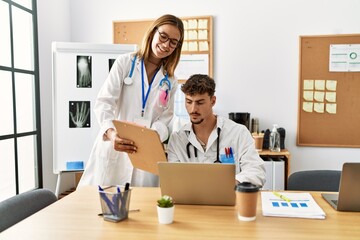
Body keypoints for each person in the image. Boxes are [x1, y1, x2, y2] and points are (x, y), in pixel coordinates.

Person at [78, 14, 184, 187]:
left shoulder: (170, 80)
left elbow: (166, 120)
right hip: (115, 143)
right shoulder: (125, 63)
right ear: (153, 33)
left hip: (145, 149)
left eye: (173, 42)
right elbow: (104, 103)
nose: (166, 45)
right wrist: (112, 134)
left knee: (142, 204)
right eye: (163, 36)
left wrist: (151, 135)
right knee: (105, 202)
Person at [167, 74, 266, 186]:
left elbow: (256, 172)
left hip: (230, 198)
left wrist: (229, 183)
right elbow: (173, 179)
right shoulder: (177, 140)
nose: (193, 109)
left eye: (200, 102)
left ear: (213, 101)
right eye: (189, 102)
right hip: (192, 201)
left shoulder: (238, 133)